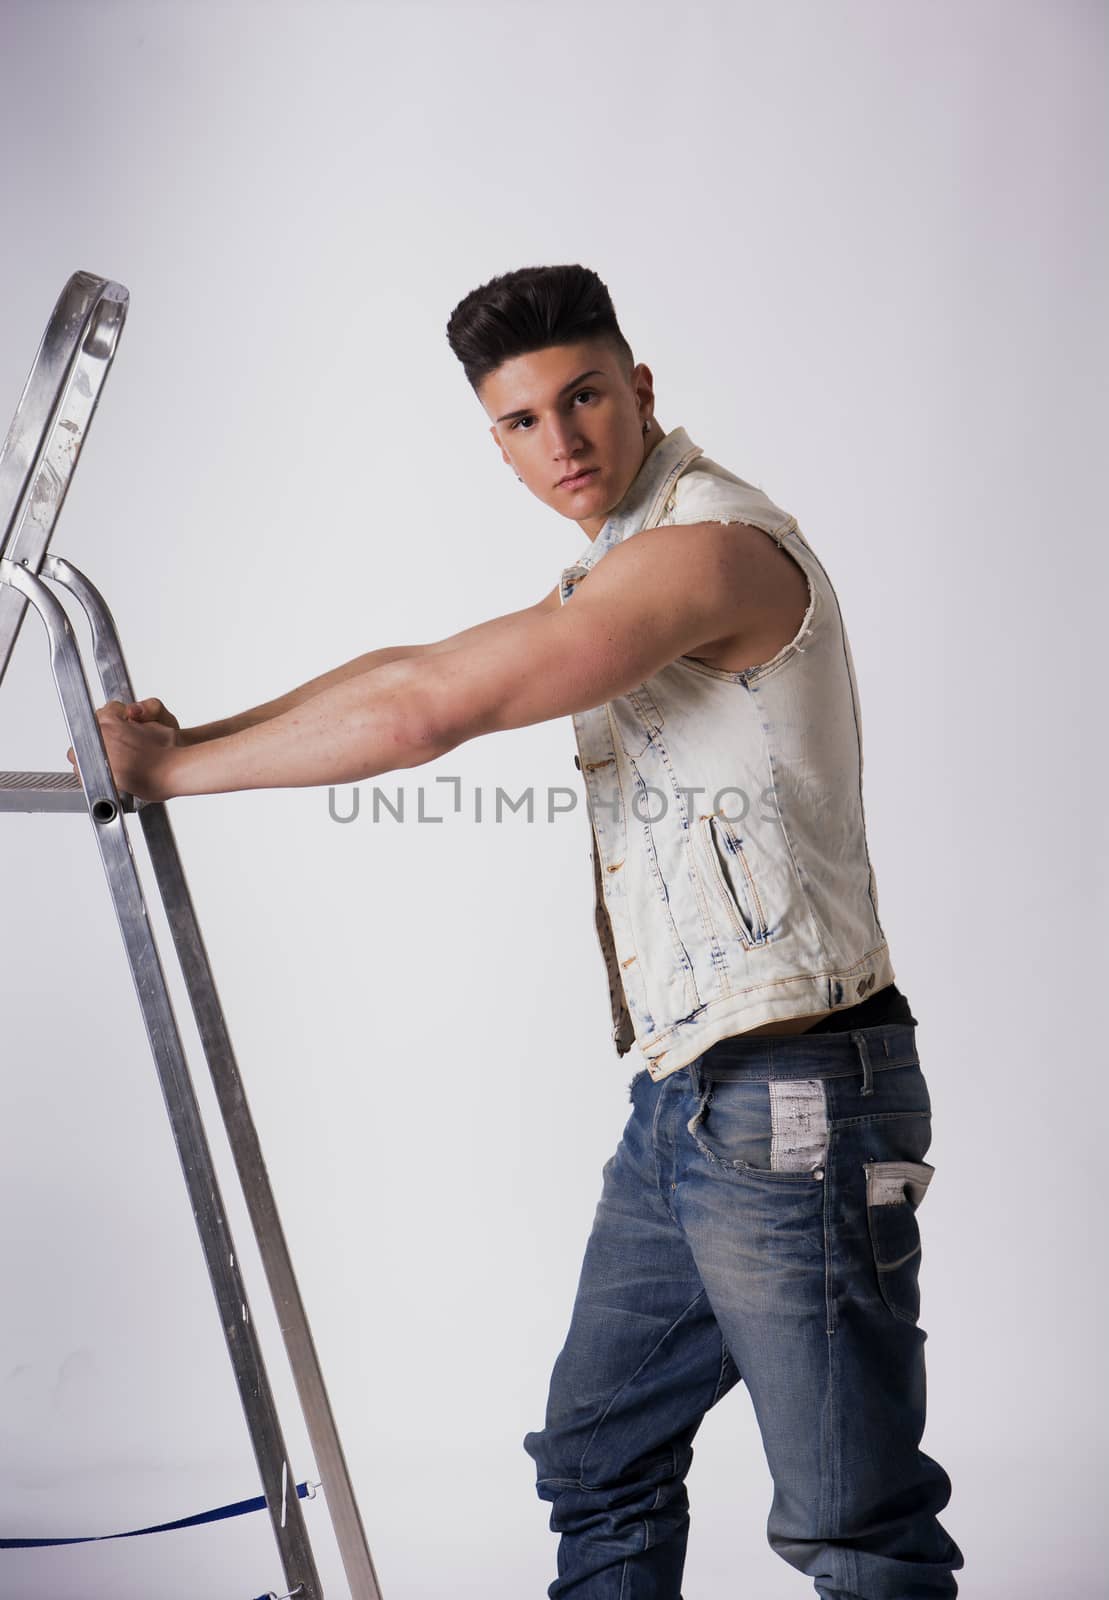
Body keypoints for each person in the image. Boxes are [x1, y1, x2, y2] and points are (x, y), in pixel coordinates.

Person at [69, 263, 964, 1598]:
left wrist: (169, 779)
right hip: (687, 1099)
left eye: (584, 397)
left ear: (637, 388)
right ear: (491, 435)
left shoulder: (707, 553)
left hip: (797, 1098)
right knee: (598, 1457)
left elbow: (435, 711)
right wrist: (194, 734)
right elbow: (408, 664)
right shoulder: (612, 574)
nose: (561, 443)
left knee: (850, 1524)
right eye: (520, 421)